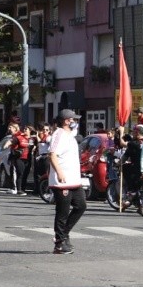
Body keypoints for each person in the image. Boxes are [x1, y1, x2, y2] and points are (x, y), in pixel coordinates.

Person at [48, 109, 86, 254]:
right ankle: (59, 243)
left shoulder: (70, 135)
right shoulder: (59, 134)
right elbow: (52, 154)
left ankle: (64, 234)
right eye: (73, 120)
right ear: (66, 121)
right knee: (62, 212)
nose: (75, 122)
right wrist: (59, 172)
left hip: (74, 179)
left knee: (81, 206)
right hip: (62, 180)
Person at [4, 122, 30, 195]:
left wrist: (6, 144)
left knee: (17, 172)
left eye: (11, 127)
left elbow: (12, 141)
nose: (9, 129)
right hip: (15, 155)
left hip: (19, 156)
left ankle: (17, 188)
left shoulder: (18, 135)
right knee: (13, 171)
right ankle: (15, 188)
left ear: (15, 128)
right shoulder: (13, 135)